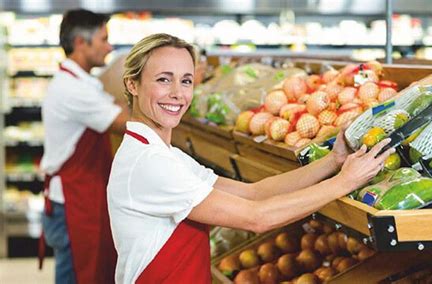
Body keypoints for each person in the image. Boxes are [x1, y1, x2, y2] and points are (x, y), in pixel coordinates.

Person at [107, 33, 394, 284]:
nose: (177, 94)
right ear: (132, 84)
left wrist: (333, 162)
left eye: (186, 81)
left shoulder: (162, 154)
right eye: (163, 80)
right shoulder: (149, 163)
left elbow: (253, 193)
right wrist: (343, 183)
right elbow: (256, 217)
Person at [40, 9, 129, 284]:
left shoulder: (82, 82)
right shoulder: (72, 90)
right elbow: (126, 122)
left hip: (81, 197)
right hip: (73, 204)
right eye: (103, 39)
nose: (109, 47)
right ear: (81, 42)